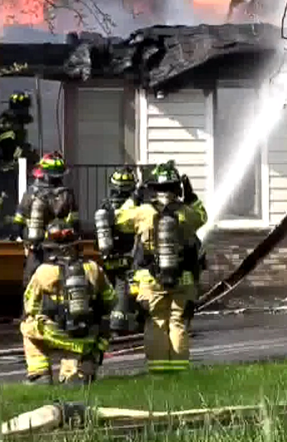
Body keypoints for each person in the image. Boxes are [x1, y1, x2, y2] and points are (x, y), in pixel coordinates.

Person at [116, 161, 208, 374]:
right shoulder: (186, 213)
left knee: (156, 321)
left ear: (153, 189)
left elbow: (119, 219)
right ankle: (178, 370)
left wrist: (135, 195)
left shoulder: (143, 213)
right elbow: (203, 216)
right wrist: (191, 194)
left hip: (150, 279)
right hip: (183, 279)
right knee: (178, 322)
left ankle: (159, 372)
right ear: (177, 187)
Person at [20, 218, 115, 386]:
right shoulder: (92, 267)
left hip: (56, 331)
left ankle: (39, 374)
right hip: (88, 334)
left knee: (28, 327)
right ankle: (77, 372)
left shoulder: (44, 272)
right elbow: (110, 298)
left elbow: (30, 304)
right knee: (78, 352)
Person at [15, 152, 80, 286]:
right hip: (64, 250)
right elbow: (75, 225)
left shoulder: (31, 193)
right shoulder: (68, 195)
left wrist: (25, 237)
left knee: (32, 285)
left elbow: (18, 223)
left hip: (37, 250)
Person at [94, 167, 141, 334]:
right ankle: (119, 323)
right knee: (124, 287)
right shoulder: (133, 208)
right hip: (129, 255)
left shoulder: (104, 206)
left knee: (108, 288)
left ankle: (105, 322)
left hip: (108, 255)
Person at [0, 92, 35, 170]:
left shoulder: (16, 123)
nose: (27, 111)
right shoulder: (7, 122)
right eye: (25, 108)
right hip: (6, 164)